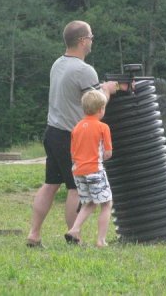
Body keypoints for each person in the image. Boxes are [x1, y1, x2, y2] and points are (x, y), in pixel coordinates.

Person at [26, 20, 122, 248]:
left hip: (52, 132)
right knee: (75, 189)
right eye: (90, 36)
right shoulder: (84, 70)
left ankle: (34, 234)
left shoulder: (57, 64)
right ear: (81, 41)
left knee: (50, 184)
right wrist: (107, 89)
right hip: (71, 137)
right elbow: (96, 105)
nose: (92, 40)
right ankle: (74, 237)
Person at [64, 90, 113, 248]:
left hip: (78, 171)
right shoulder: (103, 127)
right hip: (95, 170)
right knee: (106, 204)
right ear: (101, 109)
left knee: (89, 203)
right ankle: (101, 240)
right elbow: (108, 153)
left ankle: (74, 229)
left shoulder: (76, 128)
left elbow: (72, 153)